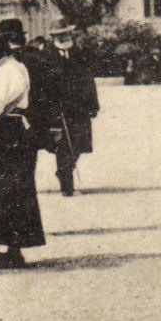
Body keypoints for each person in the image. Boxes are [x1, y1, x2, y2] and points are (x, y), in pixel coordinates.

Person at [0, 31, 45, 270]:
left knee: (4, 189)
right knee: (18, 189)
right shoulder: (19, 66)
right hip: (22, 129)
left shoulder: (4, 72)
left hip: (9, 131)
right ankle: (14, 246)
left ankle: (12, 248)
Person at [46, 25, 100, 195]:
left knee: (79, 143)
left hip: (80, 108)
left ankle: (65, 169)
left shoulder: (79, 53)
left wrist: (93, 104)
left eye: (66, 34)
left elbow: (89, 80)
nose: (63, 37)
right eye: (59, 35)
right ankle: (67, 185)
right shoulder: (47, 56)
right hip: (59, 109)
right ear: (54, 36)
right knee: (63, 145)